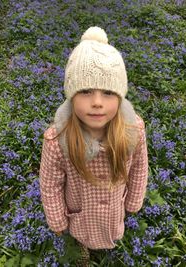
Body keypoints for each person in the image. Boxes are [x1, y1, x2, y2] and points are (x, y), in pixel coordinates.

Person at [39, 26, 148, 266]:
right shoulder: (58, 139)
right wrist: (57, 221)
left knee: (113, 232)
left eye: (108, 92)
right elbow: (50, 185)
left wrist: (134, 202)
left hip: (114, 213)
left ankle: (109, 242)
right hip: (81, 215)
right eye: (86, 91)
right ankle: (82, 247)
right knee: (81, 235)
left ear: (120, 97)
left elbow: (140, 167)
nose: (97, 102)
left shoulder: (133, 129)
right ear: (71, 95)